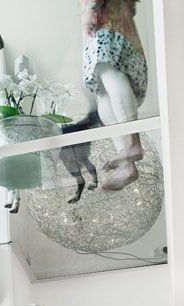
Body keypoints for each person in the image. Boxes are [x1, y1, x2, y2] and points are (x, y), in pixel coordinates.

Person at [82, 0, 147, 190]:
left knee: (111, 75)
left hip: (106, 19)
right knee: (104, 97)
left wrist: (93, 7)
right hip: (103, 19)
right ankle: (127, 164)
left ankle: (133, 143)